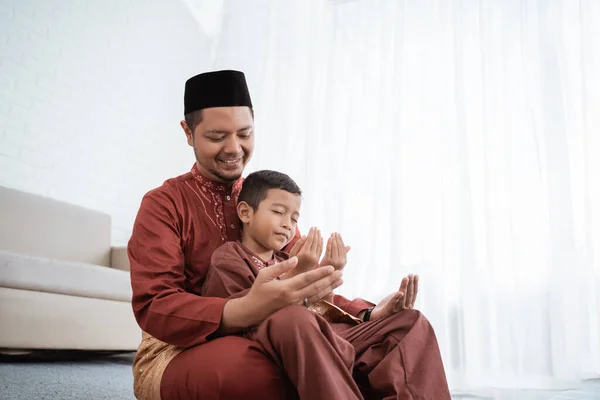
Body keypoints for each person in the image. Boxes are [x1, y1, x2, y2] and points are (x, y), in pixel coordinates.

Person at [128, 70, 450, 399]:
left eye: (244, 133)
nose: (233, 148)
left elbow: (302, 288)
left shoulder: (269, 200)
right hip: (185, 348)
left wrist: (368, 314)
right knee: (258, 368)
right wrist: (248, 308)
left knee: (408, 328)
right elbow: (156, 305)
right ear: (188, 133)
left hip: (292, 331)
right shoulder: (163, 204)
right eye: (216, 136)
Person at [201, 169, 363, 326]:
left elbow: (321, 317)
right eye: (278, 212)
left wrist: (327, 275)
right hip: (273, 339)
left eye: (294, 219)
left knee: (386, 326)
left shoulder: (286, 260)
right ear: (245, 213)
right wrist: (298, 273)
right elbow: (240, 318)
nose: (287, 225)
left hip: (312, 334)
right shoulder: (230, 257)